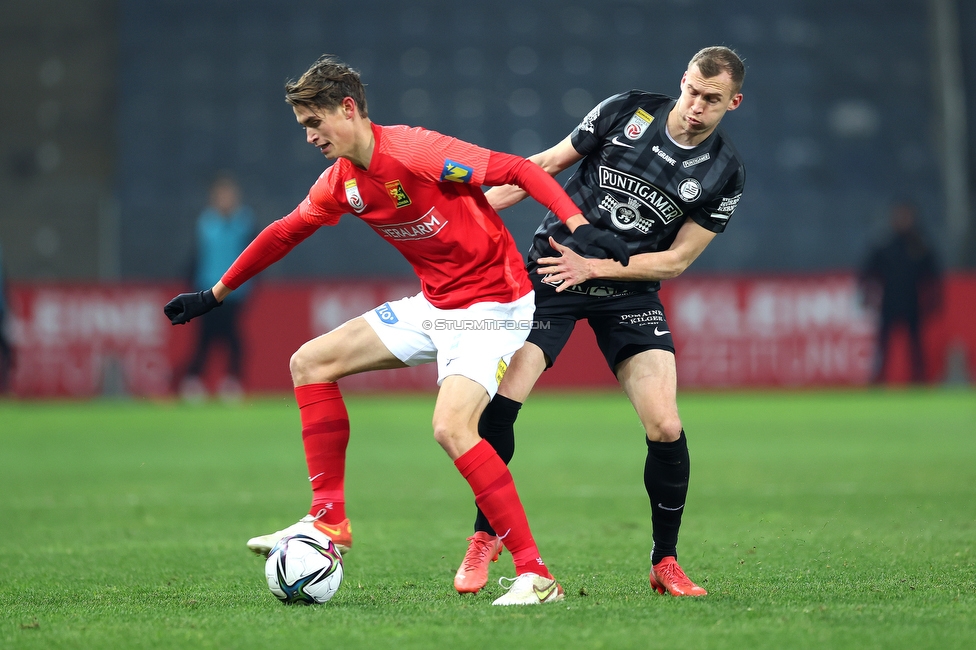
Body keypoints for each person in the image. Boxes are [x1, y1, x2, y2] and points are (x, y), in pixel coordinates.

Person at [163, 54, 628, 606]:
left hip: (493, 305)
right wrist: (214, 294)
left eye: (316, 122)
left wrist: (578, 227)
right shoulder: (342, 183)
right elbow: (284, 233)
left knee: (452, 429)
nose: (310, 136)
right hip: (436, 305)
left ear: (349, 108)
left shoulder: (417, 153)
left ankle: (537, 574)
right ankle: (328, 519)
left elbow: (520, 171)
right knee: (309, 362)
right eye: (303, 127)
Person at [452, 46, 746, 598]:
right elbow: (542, 168)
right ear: (681, 80)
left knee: (665, 425)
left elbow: (678, 260)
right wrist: (476, 215)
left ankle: (665, 561)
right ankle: (484, 536)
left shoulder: (725, 172)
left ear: (733, 102)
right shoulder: (627, 111)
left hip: (627, 290)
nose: (695, 107)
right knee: (504, 399)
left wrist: (599, 267)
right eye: (691, 91)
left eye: (711, 100)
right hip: (553, 272)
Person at [178, 173, 256, 401]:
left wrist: (250, 289)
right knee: (205, 338)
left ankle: (231, 382)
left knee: (233, 339)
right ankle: (193, 382)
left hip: (235, 293)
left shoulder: (245, 223)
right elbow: (195, 258)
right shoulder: (205, 224)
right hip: (208, 291)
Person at [859, 202, 942, 383]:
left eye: (906, 216)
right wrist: (867, 297)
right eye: (899, 216)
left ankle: (919, 379)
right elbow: (867, 273)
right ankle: (878, 379)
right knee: (883, 344)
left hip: (912, 302)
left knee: (915, 344)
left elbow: (933, 277)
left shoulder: (920, 245)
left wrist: (933, 302)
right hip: (889, 301)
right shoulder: (884, 244)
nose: (902, 220)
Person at [0, 241, 14, 393]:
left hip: (1, 312)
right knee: (6, 350)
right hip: (2, 311)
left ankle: (7, 387)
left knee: (7, 350)